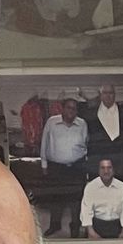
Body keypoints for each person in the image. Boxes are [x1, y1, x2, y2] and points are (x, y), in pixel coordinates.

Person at [39, 95, 90, 234]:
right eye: (68, 107)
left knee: (76, 199)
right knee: (55, 198)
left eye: (74, 109)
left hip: (76, 167)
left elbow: (86, 144)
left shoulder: (82, 124)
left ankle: (75, 226)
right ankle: (55, 225)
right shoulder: (51, 122)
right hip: (56, 167)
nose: (71, 111)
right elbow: (45, 143)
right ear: (62, 109)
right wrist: (44, 165)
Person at [79, 156, 123, 238]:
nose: (106, 171)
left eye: (109, 168)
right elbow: (86, 211)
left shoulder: (121, 186)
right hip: (97, 225)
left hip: (116, 226)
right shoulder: (91, 187)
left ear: (114, 170)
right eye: (102, 168)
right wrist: (91, 231)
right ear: (99, 170)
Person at [88, 84, 123, 162]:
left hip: (121, 161)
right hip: (98, 160)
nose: (108, 96)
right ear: (100, 95)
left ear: (115, 95)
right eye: (105, 93)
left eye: (111, 93)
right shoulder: (90, 114)